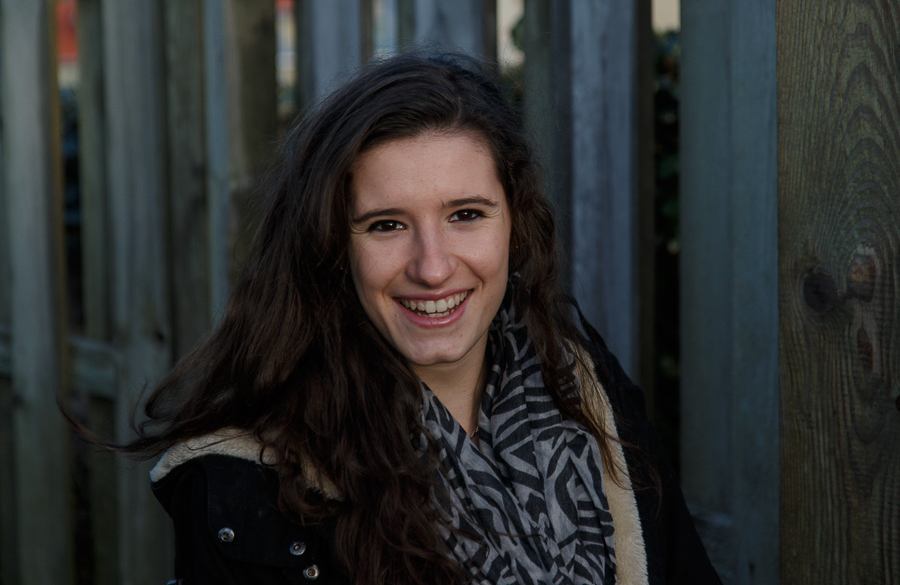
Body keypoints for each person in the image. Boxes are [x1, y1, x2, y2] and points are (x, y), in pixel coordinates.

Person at [130, 51, 720, 584]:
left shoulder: (586, 388)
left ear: (514, 223)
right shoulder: (245, 488)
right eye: (386, 225)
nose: (433, 268)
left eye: (466, 215)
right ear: (330, 245)